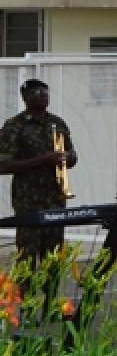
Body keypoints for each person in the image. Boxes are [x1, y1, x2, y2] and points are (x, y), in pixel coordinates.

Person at [0, 80, 77, 293]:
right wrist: (44, 160)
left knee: (53, 253)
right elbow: (3, 165)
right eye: (37, 93)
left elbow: (72, 155)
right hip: (28, 200)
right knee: (27, 255)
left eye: (46, 92)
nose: (43, 96)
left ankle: (51, 303)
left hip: (55, 197)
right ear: (25, 97)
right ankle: (25, 306)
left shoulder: (57, 123)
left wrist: (68, 158)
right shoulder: (15, 125)